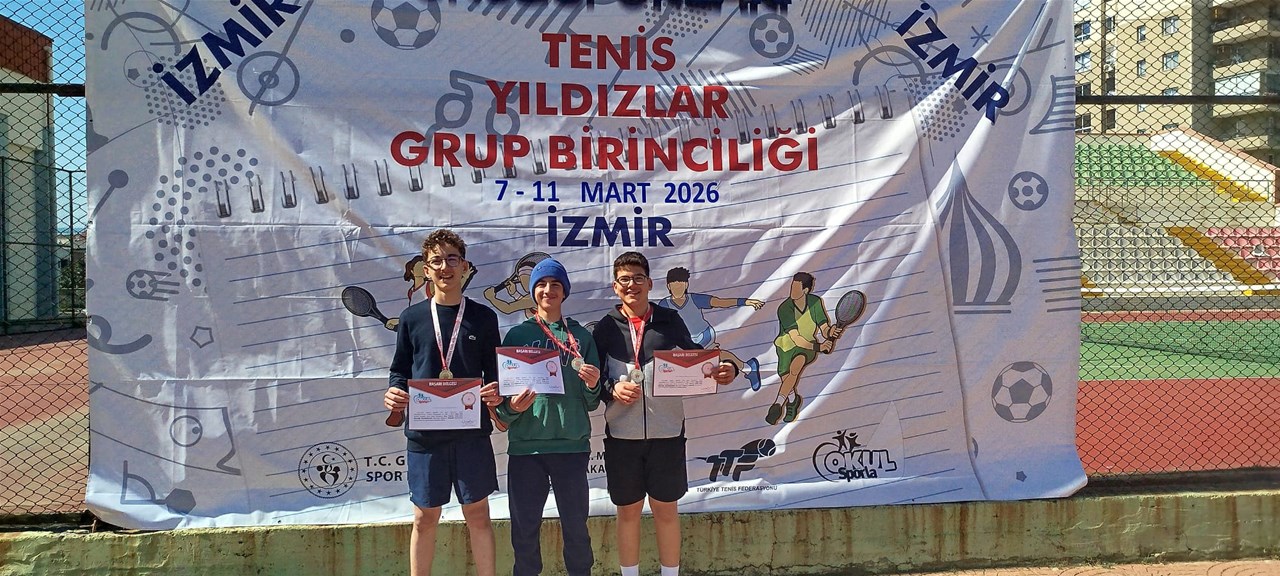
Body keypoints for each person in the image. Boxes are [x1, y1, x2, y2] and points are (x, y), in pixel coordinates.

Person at [592, 251, 737, 576]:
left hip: (668, 434)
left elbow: (699, 360)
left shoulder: (670, 320)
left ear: (650, 283)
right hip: (622, 438)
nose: (632, 285)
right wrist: (611, 390)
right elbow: (592, 382)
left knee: (666, 511)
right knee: (627, 513)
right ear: (615, 287)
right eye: (624, 280)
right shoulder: (605, 328)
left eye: (638, 278)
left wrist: (726, 368)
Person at [383, 229, 504, 576]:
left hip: (471, 434)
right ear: (426, 269)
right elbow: (399, 371)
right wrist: (394, 392)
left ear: (464, 266)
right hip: (425, 436)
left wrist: (496, 392)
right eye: (436, 260)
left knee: (478, 515)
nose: (444, 267)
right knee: (424, 517)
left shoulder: (483, 317)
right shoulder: (411, 318)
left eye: (452, 259)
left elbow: (495, 373)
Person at [495, 257, 603, 576]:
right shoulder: (516, 336)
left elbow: (592, 402)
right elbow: (503, 402)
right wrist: (512, 409)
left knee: (576, 529)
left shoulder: (581, 337)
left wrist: (593, 385)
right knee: (524, 531)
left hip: (571, 447)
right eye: (541, 284)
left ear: (565, 292)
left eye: (555, 284)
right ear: (532, 292)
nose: (548, 290)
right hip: (526, 449)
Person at [657, 266, 765, 390]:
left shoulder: (694, 299)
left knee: (716, 354)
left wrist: (745, 302)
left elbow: (720, 302)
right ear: (668, 286)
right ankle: (748, 367)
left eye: (680, 285)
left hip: (703, 335)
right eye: (674, 286)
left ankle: (748, 368)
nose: (677, 289)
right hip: (682, 341)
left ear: (686, 285)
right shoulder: (664, 304)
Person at [766, 272, 842, 425]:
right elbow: (796, 338)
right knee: (787, 379)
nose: (792, 291)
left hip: (806, 347)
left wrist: (830, 332)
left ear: (805, 290)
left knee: (796, 367)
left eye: (796, 288)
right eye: (792, 287)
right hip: (785, 346)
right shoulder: (784, 308)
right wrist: (819, 346)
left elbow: (824, 328)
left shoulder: (815, 302)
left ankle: (777, 405)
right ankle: (793, 400)